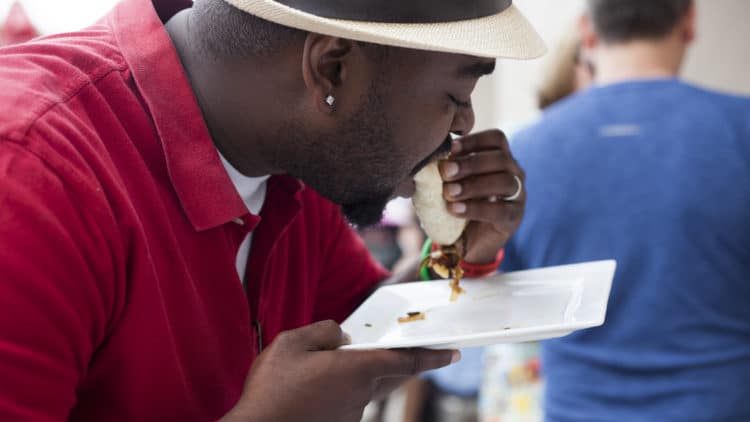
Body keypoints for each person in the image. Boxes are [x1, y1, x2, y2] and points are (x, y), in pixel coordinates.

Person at [0, 0, 544, 420]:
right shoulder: (31, 177)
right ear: (331, 70)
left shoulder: (293, 156)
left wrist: (458, 256)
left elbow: (361, 334)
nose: (464, 127)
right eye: (455, 95)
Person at [502, 0, 750, 420]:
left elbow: (505, 297)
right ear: (689, 22)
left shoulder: (521, 154)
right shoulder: (741, 130)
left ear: (588, 33)